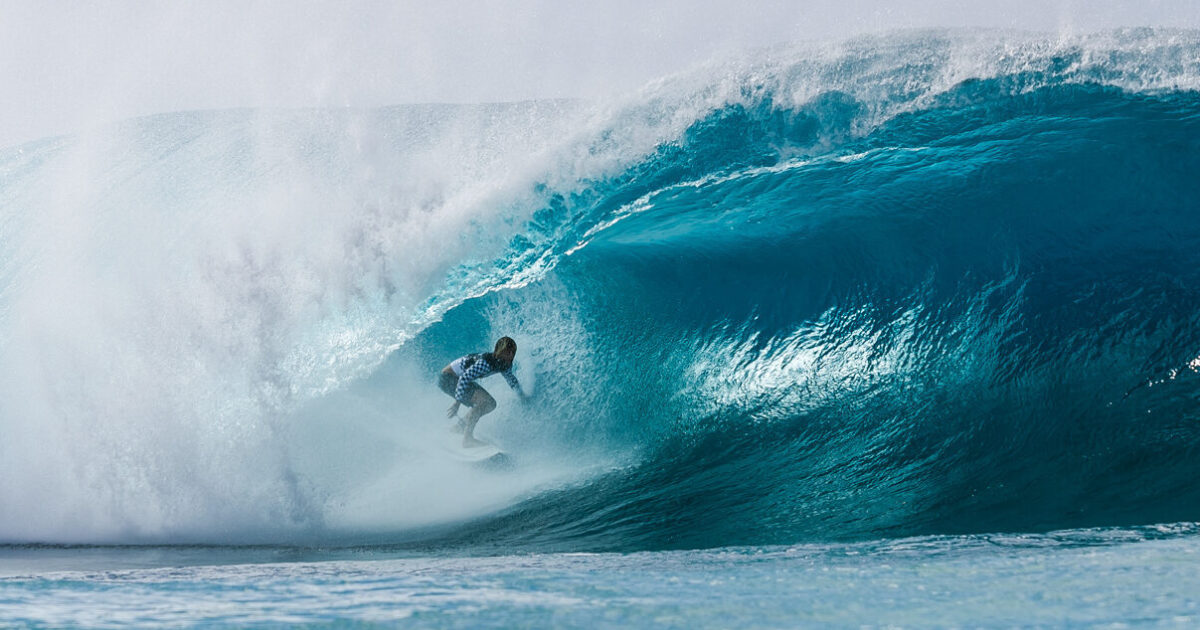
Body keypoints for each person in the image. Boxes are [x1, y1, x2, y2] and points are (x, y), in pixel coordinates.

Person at [438, 336, 529, 447]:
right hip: (448, 378)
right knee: (486, 402)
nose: (511, 355)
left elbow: (511, 379)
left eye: (513, 352)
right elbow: (464, 378)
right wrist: (457, 404)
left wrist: (522, 396)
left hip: (458, 378)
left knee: (489, 403)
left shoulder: (504, 363)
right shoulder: (486, 363)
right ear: (500, 351)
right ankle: (467, 439)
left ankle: (459, 427)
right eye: (508, 352)